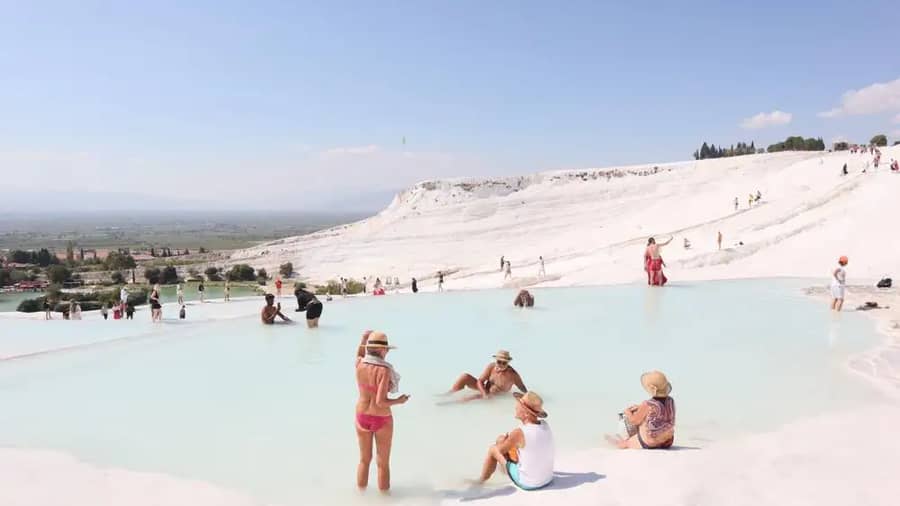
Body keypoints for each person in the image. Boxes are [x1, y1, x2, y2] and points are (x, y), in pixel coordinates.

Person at [355, 331, 409, 492]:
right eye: (387, 350)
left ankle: (360, 498)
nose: (387, 352)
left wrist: (363, 339)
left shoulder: (360, 364)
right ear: (381, 350)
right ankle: (384, 499)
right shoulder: (384, 370)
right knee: (383, 463)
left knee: (364, 460)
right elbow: (380, 402)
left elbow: (358, 354)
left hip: (361, 415)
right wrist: (399, 400)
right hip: (381, 418)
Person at [477, 391, 554, 490]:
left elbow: (500, 451)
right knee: (501, 439)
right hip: (547, 479)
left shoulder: (519, 432)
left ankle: (480, 481)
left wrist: (504, 442)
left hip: (529, 483)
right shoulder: (544, 425)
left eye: (519, 405)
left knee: (493, 449)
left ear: (526, 413)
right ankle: (504, 470)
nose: (515, 407)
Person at [607, 371, 676, 450]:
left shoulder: (647, 404)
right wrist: (640, 408)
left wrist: (627, 412)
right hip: (667, 441)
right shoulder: (670, 401)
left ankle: (619, 443)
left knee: (627, 442)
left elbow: (634, 421)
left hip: (651, 442)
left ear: (652, 389)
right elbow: (660, 413)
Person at [446, 350, 527, 401]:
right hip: (486, 390)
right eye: (499, 362)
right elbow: (480, 381)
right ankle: (449, 393)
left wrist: (528, 396)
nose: (501, 364)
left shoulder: (512, 375)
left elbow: (521, 387)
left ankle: (451, 404)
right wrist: (484, 393)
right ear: (496, 361)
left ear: (508, 363)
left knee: (466, 399)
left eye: (504, 363)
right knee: (465, 376)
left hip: (495, 395)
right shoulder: (491, 366)